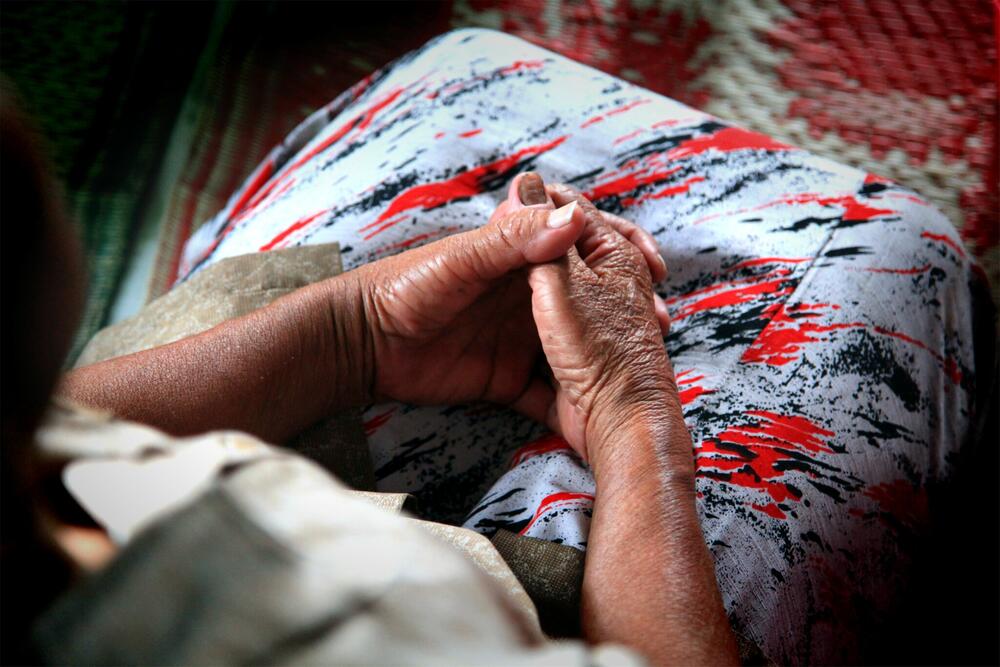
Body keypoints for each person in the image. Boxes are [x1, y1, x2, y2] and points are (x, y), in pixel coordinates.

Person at [3, 28, 994, 665]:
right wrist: (632, 414)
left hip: (317, 419)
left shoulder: (37, 466)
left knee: (469, 76)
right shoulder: (357, 625)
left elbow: (60, 432)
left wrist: (356, 330)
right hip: (523, 600)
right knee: (898, 254)